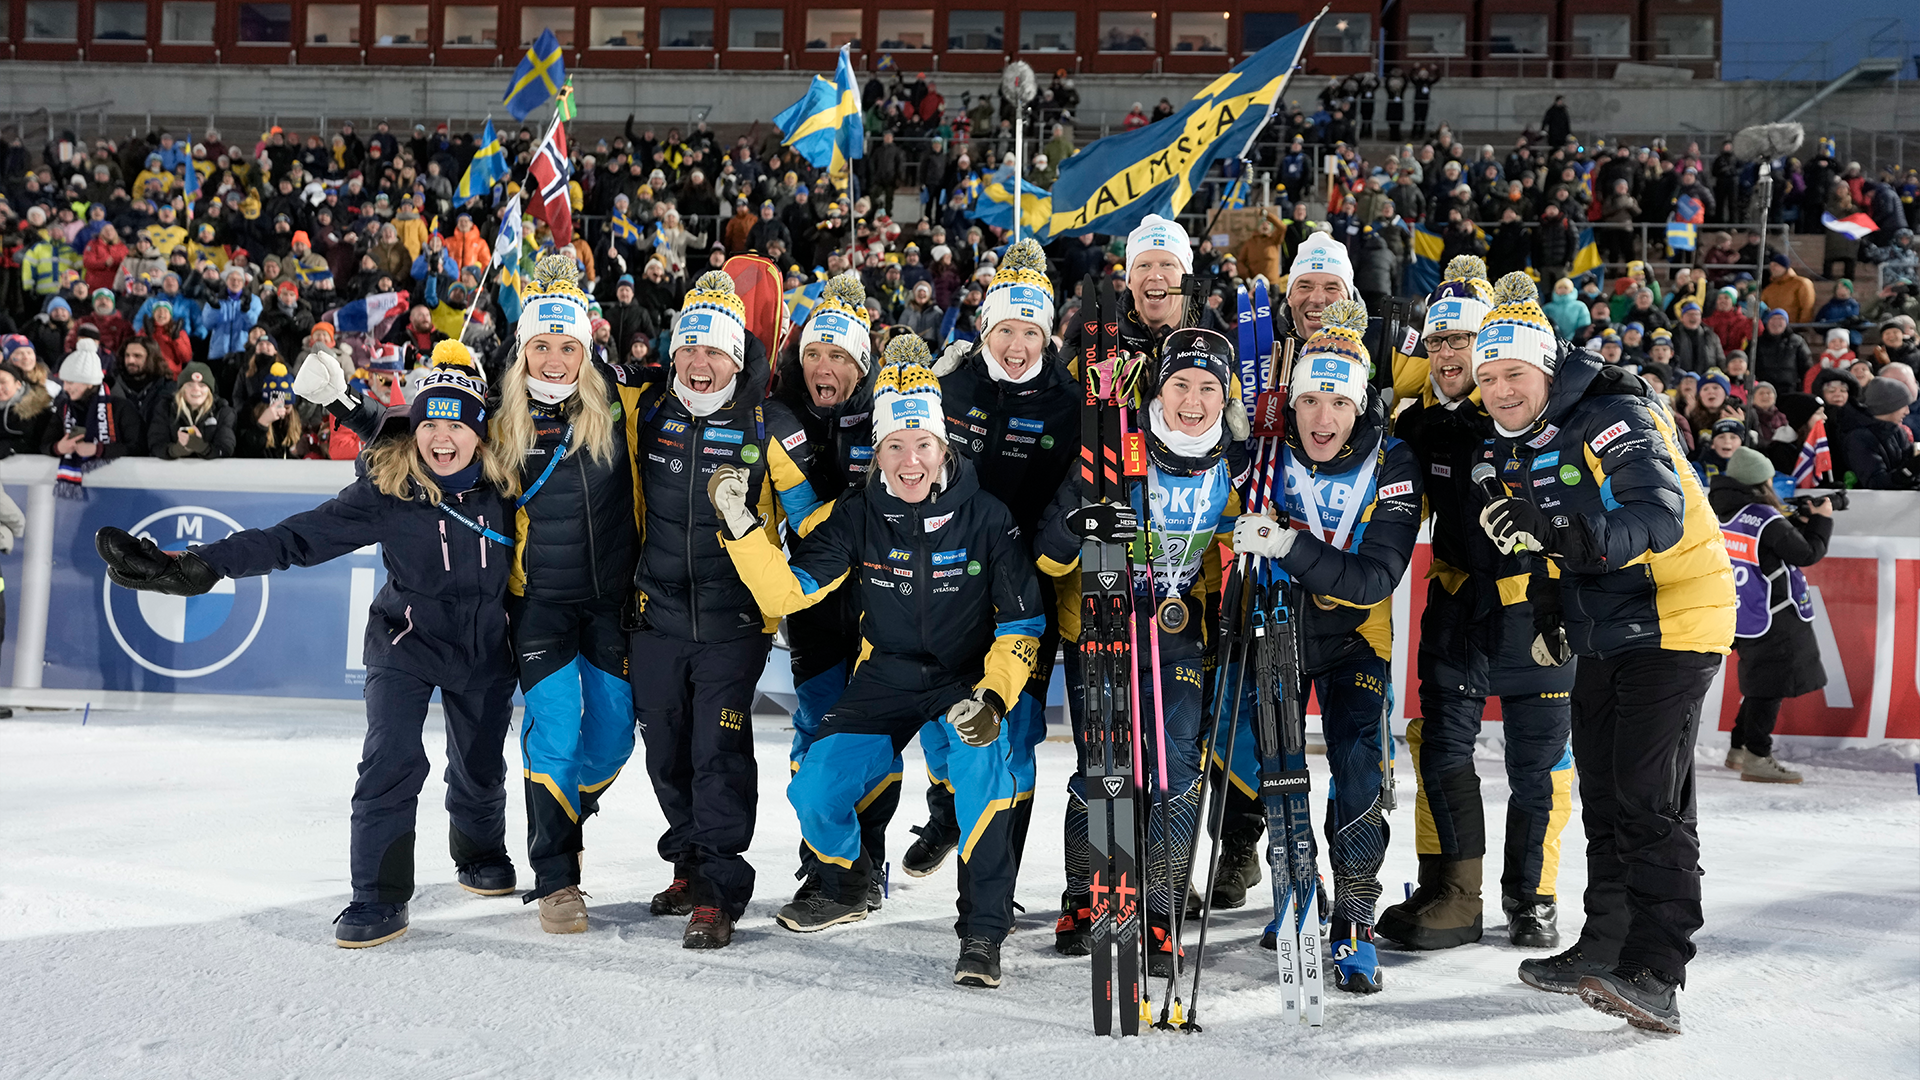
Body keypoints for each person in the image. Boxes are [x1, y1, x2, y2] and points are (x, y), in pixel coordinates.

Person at [94, 353, 521, 948]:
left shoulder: (512, 485)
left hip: (485, 646)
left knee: (478, 764)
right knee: (391, 758)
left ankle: (479, 853)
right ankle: (378, 895)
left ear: (480, 430)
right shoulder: (388, 490)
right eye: (428, 424)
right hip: (406, 639)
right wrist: (200, 565)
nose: (440, 438)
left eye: (456, 425)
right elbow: (295, 538)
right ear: (413, 428)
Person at [322, 257, 647, 937]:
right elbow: (426, 440)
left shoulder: (624, 405)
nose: (554, 360)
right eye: (540, 345)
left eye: (567, 347)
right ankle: (557, 877)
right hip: (539, 609)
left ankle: (560, 810)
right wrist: (356, 415)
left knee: (614, 738)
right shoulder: (497, 419)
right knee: (553, 732)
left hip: (612, 605)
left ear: (586, 350)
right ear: (522, 348)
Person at [711, 343, 1042, 988]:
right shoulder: (857, 514)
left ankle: (982, 934)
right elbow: (786, 592)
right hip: (885, 675)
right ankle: (850, 879)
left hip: (965, 678)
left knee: (982, 779)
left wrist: (995, 696)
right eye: (894, 445)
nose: (909, 460)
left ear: (943, 445)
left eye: (921, 443)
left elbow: (1023, 623)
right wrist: (741, 527)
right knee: (814, 785)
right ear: (878, 451)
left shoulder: (986, 516)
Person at [1471, 272, 1734, 1036]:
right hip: (1607, 626)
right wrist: (1553, 601)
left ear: (1547, 370)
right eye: (1487, 379)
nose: (1499, 390)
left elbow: (1656, 514)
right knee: (1605, 795)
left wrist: (1559, 540)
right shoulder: (1524, 439)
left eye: (1513, 374)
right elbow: (1555, 531)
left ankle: (1658, 969)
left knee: (1650, 802)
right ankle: (1607, 945)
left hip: (1676, 620)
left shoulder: (1614, 415)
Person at [1222, 298, 1424, 994]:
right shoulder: (1265, 451)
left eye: (1338, 401)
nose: (1321, 417)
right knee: (1280, 771)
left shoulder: (1393, 461)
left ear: (1359, 402)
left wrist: (1285, 541)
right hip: (1277, 627)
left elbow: (1374, 578)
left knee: (1359, 765)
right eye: (1309, 399)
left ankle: (1356, 915)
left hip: (1354, 638)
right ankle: (1295, 892)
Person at [1035, 326, 1248, 974]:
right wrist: (1085, 522)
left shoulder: (1233, 464)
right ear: (1160, 388)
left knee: (1178, 772)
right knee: (1106, 766)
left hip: (1179, 632)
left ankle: (1159, 910)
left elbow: (1243, 542)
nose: (1192, 399)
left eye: (1208, 387)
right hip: (1104, 629)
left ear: (1223, 396)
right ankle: (1086, 895)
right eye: (1180, 383)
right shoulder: (1115, 450)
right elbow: (1048, 551)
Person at [1381, 256, 1574, 954]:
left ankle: (1533, 898)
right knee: (1440, 748)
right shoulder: (1422, 424)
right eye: (1436, 342)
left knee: (1537, 762)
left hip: (1538, 606)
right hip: (1457, 603)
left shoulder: (1534, 410)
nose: (1448, 354)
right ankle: (1453, 895)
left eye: (1462, 339)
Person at [631, 268, 817, 949]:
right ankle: (688, 862)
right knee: (665, 755)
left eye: (714, 351)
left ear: (737, 356)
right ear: (674, 351)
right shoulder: (649, 409)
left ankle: (719, 889)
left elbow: (813, 523)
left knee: (718, 755)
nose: (699, 363)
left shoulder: (771, 425)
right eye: (689, 349)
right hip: (655, 619)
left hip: (733, 627)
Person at [905, 240, 1076, 895]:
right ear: (986, 329)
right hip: (947, 579)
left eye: (1029, 331)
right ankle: (947, 810)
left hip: (1025, 587)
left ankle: (995, 869)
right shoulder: (952, 382)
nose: (1016, 344)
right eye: (1005, 329)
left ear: (1045, 334)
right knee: (939, 718)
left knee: (1013, 733)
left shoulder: (1065, 398)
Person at [766, 272, 892, 910]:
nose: (824, 366)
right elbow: (808, 518)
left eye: (840, 356)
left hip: (879, 601)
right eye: (815, 352)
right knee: (814, 729)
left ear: (860, 364)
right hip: (813, 600)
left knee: (868, 735)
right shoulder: (778, 407)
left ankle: (864, 863)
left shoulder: (885, 410)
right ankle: (825, 860)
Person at [1712, 447, 1829, 785]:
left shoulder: (1719, 510)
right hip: (1773, 612)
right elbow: (1806, 553)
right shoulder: (1764, 516)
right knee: (1769, 688)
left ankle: (1739, 748)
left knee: (1758, 684)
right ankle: (1757, 757)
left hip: (1740, 612)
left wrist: (1796, 522)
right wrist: (1823, 520)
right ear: (1760, 481)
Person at [148, 361, 236, 460]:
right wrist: (176, 450)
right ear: (182, 389)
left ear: (209, 390)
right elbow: (156, 444)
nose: (196, 389)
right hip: (172, 473)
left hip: (211, 474)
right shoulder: (165, 408)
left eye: (202, 385)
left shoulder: (222, 412)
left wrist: (203, 448)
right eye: (190, 384)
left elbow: (225, 449)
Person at [1843, 377, 1920, 489]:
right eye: (1903, 405)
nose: (1907, 411)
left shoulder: (1898, 431)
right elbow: (1876, 483)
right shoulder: (1858, 438)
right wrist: (1911, 468)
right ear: (1888, 407)